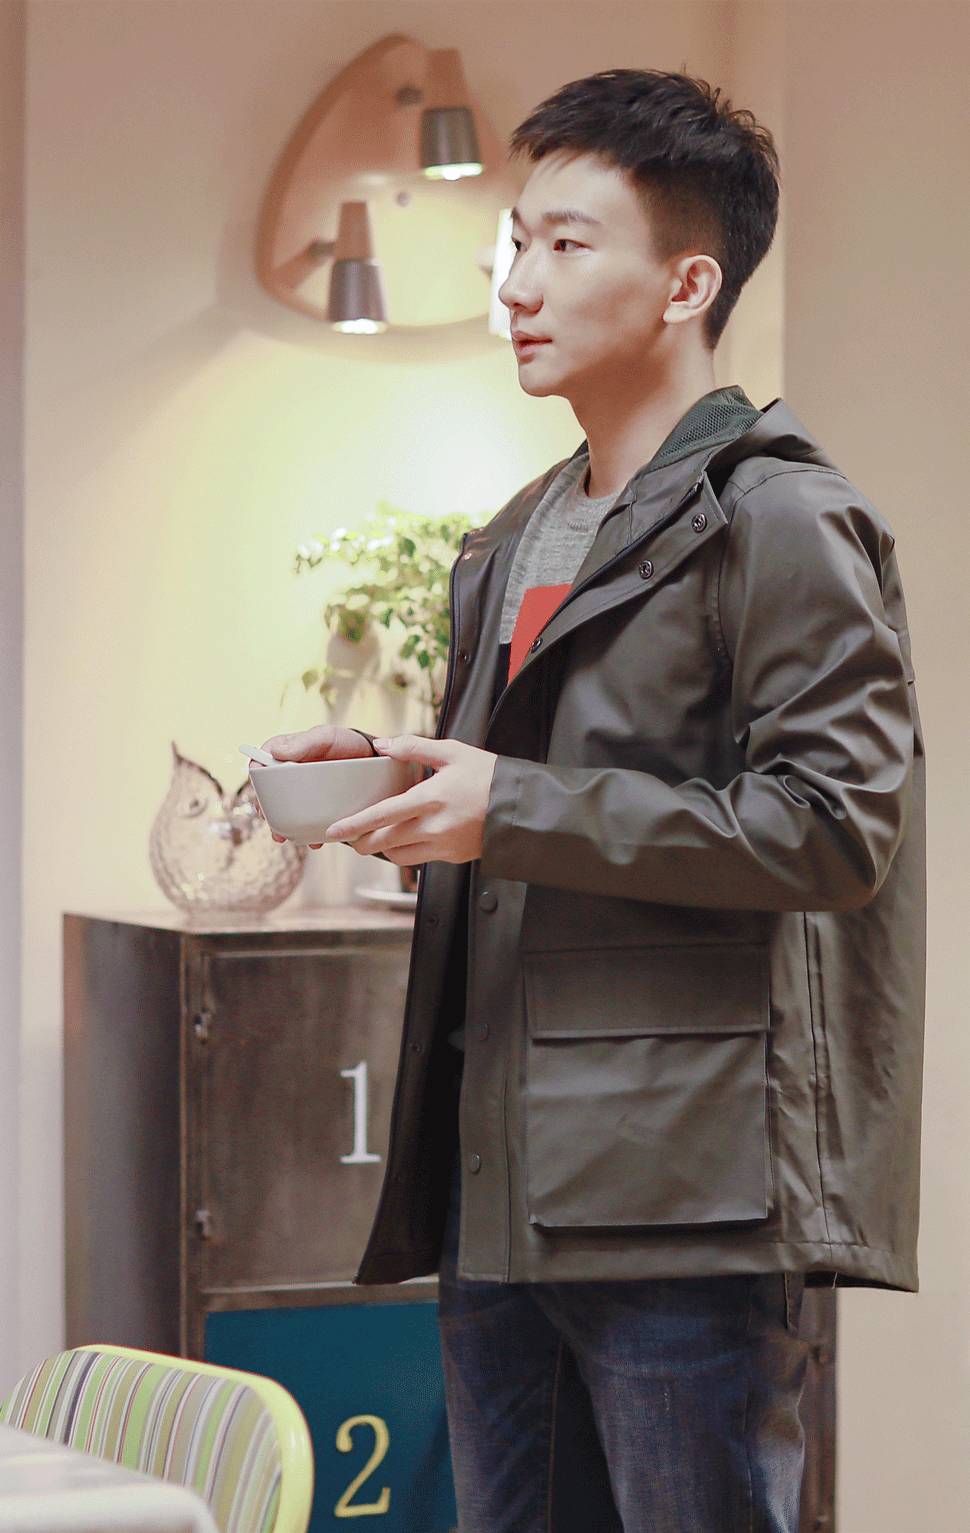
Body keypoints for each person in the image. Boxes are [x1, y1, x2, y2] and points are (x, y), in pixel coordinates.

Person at [257, 67, 925, 1533]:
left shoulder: (781, 516)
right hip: (499, 1189)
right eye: (517, 242)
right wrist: (388, 774)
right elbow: (526, 795)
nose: (517, 285)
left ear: (687, 284)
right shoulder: (514, 534)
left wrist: (512, 806)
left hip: (684, 1201)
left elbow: (835, 829)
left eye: (566, 245)